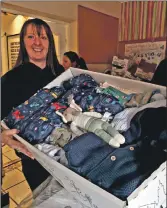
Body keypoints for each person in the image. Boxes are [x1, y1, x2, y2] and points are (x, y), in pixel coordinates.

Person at [1, 18, 65, 191]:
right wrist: (2, 136)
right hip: (34, 160)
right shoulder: (9, 80)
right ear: (23, 41)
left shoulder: (63, 75)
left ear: (50, 42)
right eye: (31, 37)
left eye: (43, 37)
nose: (37, 42)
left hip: (69, 152)